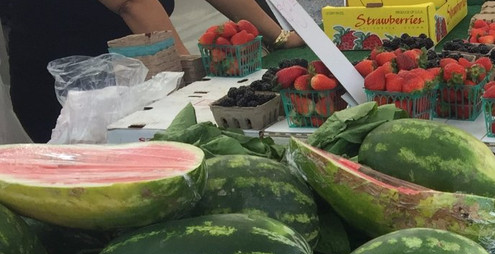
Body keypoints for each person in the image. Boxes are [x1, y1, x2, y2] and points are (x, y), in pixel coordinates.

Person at [2, 0, 304, 143]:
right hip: (80, 97)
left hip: (137, 78)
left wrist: (279, 37)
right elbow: (132, 4)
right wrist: (191, 78)